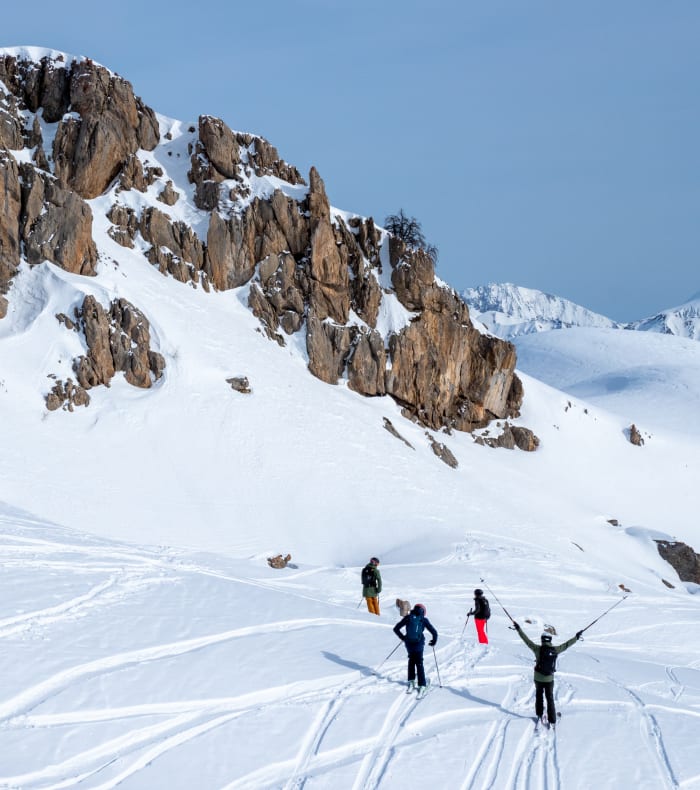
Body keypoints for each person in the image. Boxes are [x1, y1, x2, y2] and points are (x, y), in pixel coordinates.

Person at [513, 622, 582, 727]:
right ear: (550, 640)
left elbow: (526, 640)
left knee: (539, 696)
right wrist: (576, 637)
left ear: (542, 640)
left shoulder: (537, 649)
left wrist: (518, 629)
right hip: (549, 679)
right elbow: (567, 644)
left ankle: (539, 714)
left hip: (538, 678)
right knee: (549, 698)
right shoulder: (555, 650)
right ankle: (552, 719)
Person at [393, 603, 438, 697]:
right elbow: (434, 632)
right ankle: (422, 685)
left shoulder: (408, 617)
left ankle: (411, 681)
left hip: (408, 644)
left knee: (411, 660)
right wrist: (433, 641)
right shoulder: (423, 620)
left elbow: (396, 628)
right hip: (418, 644)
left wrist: (403, 638)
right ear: (423, 611)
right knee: (419, 663)